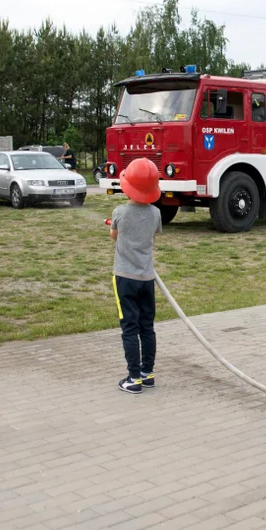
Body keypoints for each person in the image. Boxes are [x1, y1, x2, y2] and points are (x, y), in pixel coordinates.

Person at [110, 158, 164, 394]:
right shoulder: (156, 213)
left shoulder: (119, 211)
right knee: (146, 326)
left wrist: (116, 228)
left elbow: (114, 235)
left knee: (129, 327)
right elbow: (151, 238)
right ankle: (147, 373)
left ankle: (133, 379)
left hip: (124, 277)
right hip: (146, 279)